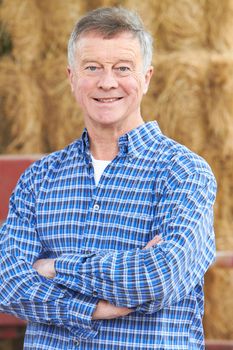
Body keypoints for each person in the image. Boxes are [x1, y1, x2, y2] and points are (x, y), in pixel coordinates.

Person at [0, 7, 217, 350]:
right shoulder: (39, 180)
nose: (107, 82)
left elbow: (157, 276)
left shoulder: (183, 173)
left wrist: (55, 268)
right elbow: (6, 283)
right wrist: (92, 309)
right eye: (92, 68)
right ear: (71, 77)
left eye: (122, 68)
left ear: (146, 77)